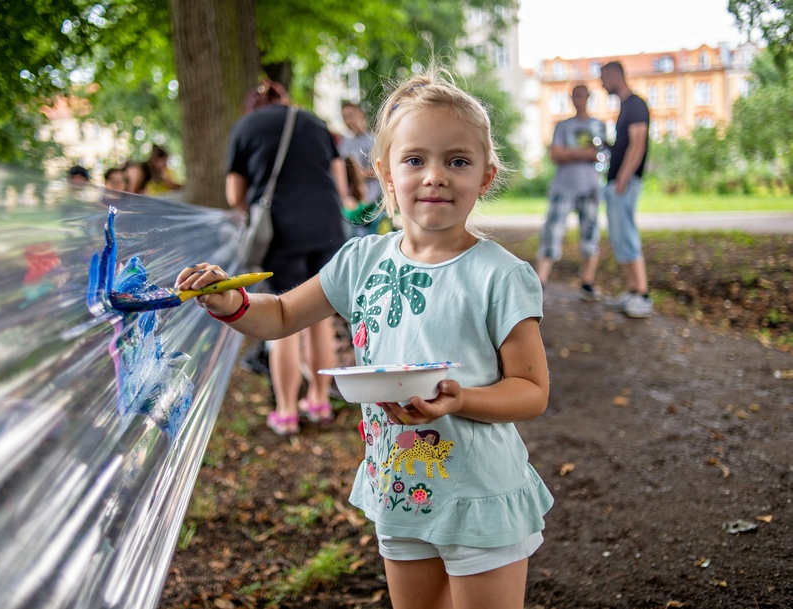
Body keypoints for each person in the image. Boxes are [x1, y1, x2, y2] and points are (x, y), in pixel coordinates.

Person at [177, 68, 553, 609]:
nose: (435, 176)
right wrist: (231, 301)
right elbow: (281, 314)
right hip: (399, 491)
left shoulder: (501, 275)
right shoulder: (361, 261)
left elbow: (531, 389)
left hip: (480, 496)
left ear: (486, 176)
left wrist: (462, 398)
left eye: (458, 161)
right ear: (383, 171)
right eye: (415, 159)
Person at [226, 79, 356, 435]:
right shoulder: (313, 122)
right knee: (319, 317)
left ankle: (285, 411)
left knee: (282, 320)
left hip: (280, 233)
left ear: (253, 105)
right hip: (326, 227)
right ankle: (318, 400)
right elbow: (339, 185)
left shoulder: (245, 127)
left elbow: (234, 193)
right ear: (284, 99)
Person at [534, 84, 605, 301]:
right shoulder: (562, 126)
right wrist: (583, 153)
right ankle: (539, 283)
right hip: (564, 186)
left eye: (582, 95)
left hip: (590, 187)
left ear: (588, 98)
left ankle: (587, 282)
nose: (578, 99)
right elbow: (556, 154)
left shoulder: (598, 126)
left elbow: (600, 155)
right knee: (552, 232)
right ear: (571, 99)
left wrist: (572, 153)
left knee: (590, 234)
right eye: (575, 96)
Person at [600, 61, 653, 318]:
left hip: (625, 183)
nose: (601, 84)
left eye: (603, 79)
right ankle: (633, 291)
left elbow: (638, 144)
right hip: (616, 182)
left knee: (627, 235)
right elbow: (624, 145)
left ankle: (642, 295)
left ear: (613, 76)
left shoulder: (636, 104)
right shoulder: (625, 108)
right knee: (620, 237)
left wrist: (622, 177)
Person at [339, 101, 384, 236]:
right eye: (344, 117)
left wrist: (361, 174)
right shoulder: (345, 143)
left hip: (373, 203)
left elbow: (383, 170)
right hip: (354, 204)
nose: (348, 121)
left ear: (360, 114)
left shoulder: (373, 140)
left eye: (350, 115)